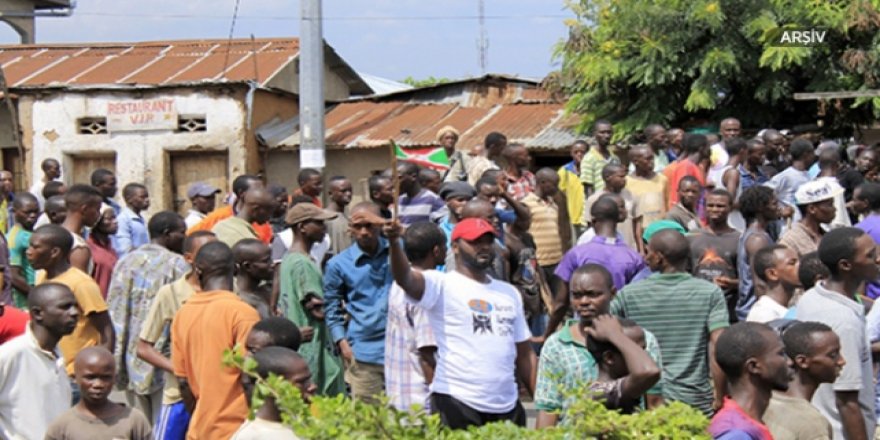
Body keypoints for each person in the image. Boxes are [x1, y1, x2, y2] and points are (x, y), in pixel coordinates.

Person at [386, 217, 537, 429]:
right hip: (457, 402)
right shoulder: (441, 284)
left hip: (507, 405)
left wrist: (543, 404)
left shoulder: (509, 293)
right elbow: (406, 279)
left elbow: (525, 353)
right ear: (455, 247)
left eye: (488, 241)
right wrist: (394, 244)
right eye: (475, 242)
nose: (483, 247)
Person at [611, 229, 729, 415]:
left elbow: (607, 331)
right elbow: (718, 345)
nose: (645, 257)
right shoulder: (710, 293)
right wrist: (720, 394)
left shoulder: (629, 295)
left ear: (659, 258)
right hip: (694, 401)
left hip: (645, 401)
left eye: (648, 252)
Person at [535, 264, 663, 427]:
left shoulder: (640, 338)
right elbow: (548, 409)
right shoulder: (556, 345)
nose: (584, 302)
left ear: (613, 293)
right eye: (577, 296)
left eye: (593, 295)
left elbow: (654, 402)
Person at [171, 241, 260, 440]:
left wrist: (201, 415)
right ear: (235, 269)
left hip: (199, 429)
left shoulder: (183, 313)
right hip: (237, 430)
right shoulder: (243, 313)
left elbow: (183, 382)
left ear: (198, 271)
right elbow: (249, 378)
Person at [797, 227, 879, 440]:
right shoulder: (844, 321)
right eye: (870, 255)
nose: (877, 259)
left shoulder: (812, 296)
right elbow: (847, 401)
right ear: (845, 265)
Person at [107, 211, 188, 422]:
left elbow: (114, 312)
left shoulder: (125, 262)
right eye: (182, 232)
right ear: (167, 234)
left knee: (139, 424)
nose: (185, 237)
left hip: (132, 357)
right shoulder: (178, 265)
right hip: (164, 360)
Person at [135, 230, 215, 440]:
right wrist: (180, 369)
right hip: (178, 394)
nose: (214, 257)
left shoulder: (228, 290)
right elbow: (144, 347)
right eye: (206, 252)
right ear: (189, 258)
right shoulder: (171, 293)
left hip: (216, 394)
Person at [546, 195, 646, 340]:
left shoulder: (576, 254)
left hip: (583, 332)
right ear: (617, 219)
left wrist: (547, 334)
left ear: (593, 221)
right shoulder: (634, 257)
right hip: (620, 333)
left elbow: (561, 302)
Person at [324, 202, 392, 401]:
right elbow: (332, 306)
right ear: (349, 229)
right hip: (364, 353)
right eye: (358, 226)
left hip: (400, 349)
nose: (364, 232)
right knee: (368, 420)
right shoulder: (338, 264)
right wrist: (342, 341)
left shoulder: (398, 252)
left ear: (379, 225)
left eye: (370, 225)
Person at [277, 202, 345, 396]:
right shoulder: (302, 264)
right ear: (302, 227)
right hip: (313, 345)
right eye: (319, 223)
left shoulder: (290, 259)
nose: (324, 228)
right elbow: (318, 309)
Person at [29, 225, 114, 377]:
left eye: (35, 247)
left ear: (54, 252)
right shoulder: (43, 277)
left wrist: (98, 369)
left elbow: (106, 330)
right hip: (50, 369)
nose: (29, 252)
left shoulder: (81, 283)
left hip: (75, 374)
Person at [385, 222, 443, 412]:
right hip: (422, 400)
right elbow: (427, 352)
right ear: (436, 251)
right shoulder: (427, 291)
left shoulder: (398, 284)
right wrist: (441, 403)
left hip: (399, 394)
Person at [45, 347, 152, 440]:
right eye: (90, 377)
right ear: (74, 378)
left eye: (105, 377)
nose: (98, 384)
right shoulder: (62, 427)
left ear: (114, 378)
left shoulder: (134, 420)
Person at [709, 322, 792, 440]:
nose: (789, 362)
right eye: (781, 354)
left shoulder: (747, 424)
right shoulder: (736, 434)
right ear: (753, 366)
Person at [763, 321, 841, 440]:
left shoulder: (764, 402)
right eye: (833, 355)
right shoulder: (812, 424)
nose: (842, 361)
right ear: (802, 362)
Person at [232, 347, 314, 440]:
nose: (313, 386)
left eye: (309, 379)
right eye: (302, 382)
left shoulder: (305, 423)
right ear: (268, 387)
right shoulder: (253, 436)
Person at [584, 316, 661, 413]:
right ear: (609, 358)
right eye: (637, 350)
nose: (644, 356)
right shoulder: (600, 393)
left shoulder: (623, 387)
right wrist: (614, 334)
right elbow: (649, 371)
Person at [688, 189, 740, 322]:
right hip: (696, 306)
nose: (715, 209)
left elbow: (748, 280)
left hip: (727, 308)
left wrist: (732, 283)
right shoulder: (692, 237)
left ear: (730, 208)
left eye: (720, 206)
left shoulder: (739, 239)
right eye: (710, 205)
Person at [187, 174, 273, 244]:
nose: (262, 192)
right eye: (257, 189)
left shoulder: (262, 221)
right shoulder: (218, 217)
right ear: (242, 193)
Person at [521, 167, 571, 285]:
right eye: (554, 184)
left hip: (557, 261)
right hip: (539, 262)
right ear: (542, 183)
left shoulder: (554, 204)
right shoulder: (526, 204)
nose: (557, 188)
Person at [736, 186, 779, 321]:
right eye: (774, 203)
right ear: (761, 207)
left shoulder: (759, 235)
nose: (778, 207)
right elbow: (760, 284)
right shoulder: (757, 240)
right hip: (755, 314)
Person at [584, 163, 639, 250]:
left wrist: (640, 249)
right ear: (607, 177)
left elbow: (637, 224)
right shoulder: (594, 199)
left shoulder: (630, 195)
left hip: (629, 247)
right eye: (620, 177)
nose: (624, 180)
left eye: (624, 176)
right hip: (605, 249)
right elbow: (590, 227)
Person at [779, 179, 840, 256]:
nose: (834, 209)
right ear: (812, 209)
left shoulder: (825, 234)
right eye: (829, 205)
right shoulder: (790, 240)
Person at [745, 245, 800, 323]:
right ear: (772, 274)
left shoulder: (795, 306)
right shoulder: (765, 315)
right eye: (792, 263)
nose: (800, 266)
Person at [765, 139, 815, 223]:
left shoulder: (808, 175)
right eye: (812, 153)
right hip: (789, 226)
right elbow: (763, 194)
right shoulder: (785, 177)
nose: (814, 156)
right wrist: (779, 212)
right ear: (806, 154)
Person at [627, 145, 669, 237]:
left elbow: (666, 205)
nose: (652, 162)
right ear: (635, 162)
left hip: (659, 229)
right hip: (637, 232)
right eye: (647, 159)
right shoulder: (627, 183)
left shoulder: (662, 179)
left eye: (652, 159)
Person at [61, 184, 104, 273]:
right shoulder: (77, 247)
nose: (99, 214)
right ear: (84, 209)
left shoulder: (52, 235)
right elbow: (78, 284)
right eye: (97, 209)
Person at [8, 192, 40, 308]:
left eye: (36, 211)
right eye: (27, 212)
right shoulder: (15, 238)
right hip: (24, 302)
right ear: (15, 212)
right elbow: (13, 275)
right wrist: (35, 295)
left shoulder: (31, 234)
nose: (33, 215)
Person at [664, 133, 709, 209]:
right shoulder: (685, 166)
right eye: (708, 146)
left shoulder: (699, 166)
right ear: (701, 148)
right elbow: (682, 193)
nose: (710, 149)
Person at [232, 239, 274, 318]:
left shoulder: (266, 291)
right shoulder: (240, 302)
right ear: (247, 266)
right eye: (266, 261)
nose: (272, 264)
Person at [87, 205, 118, 298]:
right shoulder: (89, 249)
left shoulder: (110, 248)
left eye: (115, 217)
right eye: (110, 219)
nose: (115, 221)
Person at [580, 120, 618, 197]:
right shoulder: (589, 158)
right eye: (602, 132)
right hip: (597, 205)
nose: (607, 136)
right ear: (595, 134)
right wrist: (593, 206)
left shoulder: (615, 159)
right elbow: (588, 188)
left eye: (609, 132)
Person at [558, 140, 588, 235]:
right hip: (572, 217)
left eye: (582, 152)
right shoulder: (565, 171)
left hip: (589, 216)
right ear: (571, 153)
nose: (579, 154)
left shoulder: (592, 170)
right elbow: (559, 193)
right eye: (576, 152)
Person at [855, 182, 880, 299]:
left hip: (873, 296)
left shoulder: (860, 230)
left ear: (865, 203)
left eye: (855, 200)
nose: (852, 204)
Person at [115, 183, 151, 257]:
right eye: (142, 197)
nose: (147, 200)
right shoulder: (124, 220)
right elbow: (125, 248)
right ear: (129, 199)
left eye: (147, 197)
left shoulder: (140, 219)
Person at [437, 181, 476, 245]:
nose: (465, 204)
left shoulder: (478, 225)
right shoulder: (441, 230)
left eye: (469, 200)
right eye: (460, 200)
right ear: (447, 201)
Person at [325, 176, 353, 256]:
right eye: (343, 191)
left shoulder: (347, 217)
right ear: (331, 194)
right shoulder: (325, 218)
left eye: (350, 190)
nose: (348, 194)